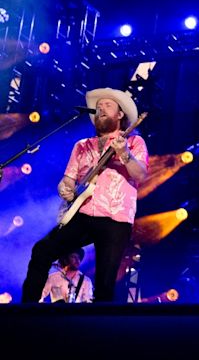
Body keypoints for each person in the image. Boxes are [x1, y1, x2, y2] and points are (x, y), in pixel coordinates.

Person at [21, 87, 149, 302]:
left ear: (120, 115)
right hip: (83, 213)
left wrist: (124, 154)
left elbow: (141, 175)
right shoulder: (81, 146)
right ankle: (26, 311)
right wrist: (64, 187)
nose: (100, 108)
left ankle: (100, 331)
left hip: (115, 217)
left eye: (107, 105)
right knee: (42, 250)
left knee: (105, 283)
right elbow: (69, 179)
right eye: (98, 106)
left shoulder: (134, 142)